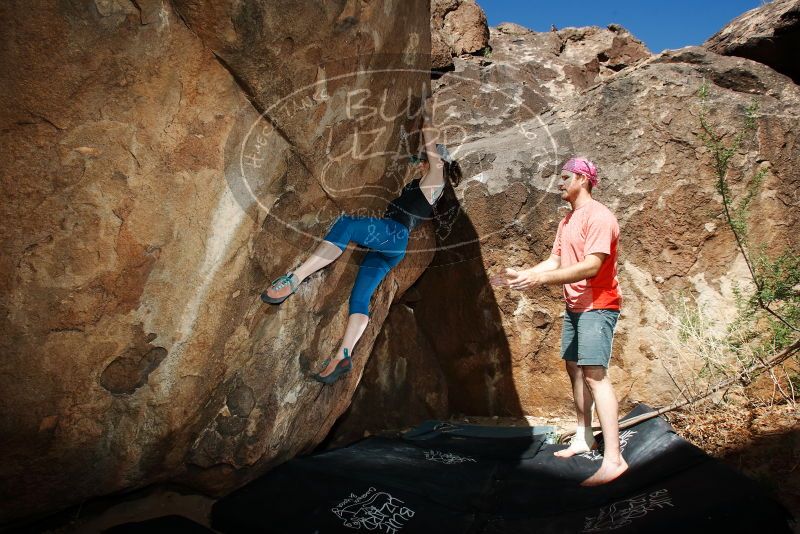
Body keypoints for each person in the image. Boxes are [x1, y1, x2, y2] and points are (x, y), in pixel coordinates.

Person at [261, 115, 462, 385]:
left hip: (394, 234)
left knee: (347, 226)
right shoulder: (426, 185)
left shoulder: (435, 178)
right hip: (393, 249)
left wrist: (427, 118)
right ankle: (344, 354)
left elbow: (432, 148)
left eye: (425, 159)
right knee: (360, 298)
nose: (422, 162)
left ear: (434, 162)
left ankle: (294, 279)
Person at [490, 157, 626, 486]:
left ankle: (614, 459)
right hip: (576, 306)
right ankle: (584, 436)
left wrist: (540, 282)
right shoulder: (568, 221)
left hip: (599, 304)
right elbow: (556, 260)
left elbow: (591, 266)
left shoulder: (600, 216)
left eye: (565, 177)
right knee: (575, 369)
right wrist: (524, 275)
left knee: (594, 375)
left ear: (582, 178)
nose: (559, 183)